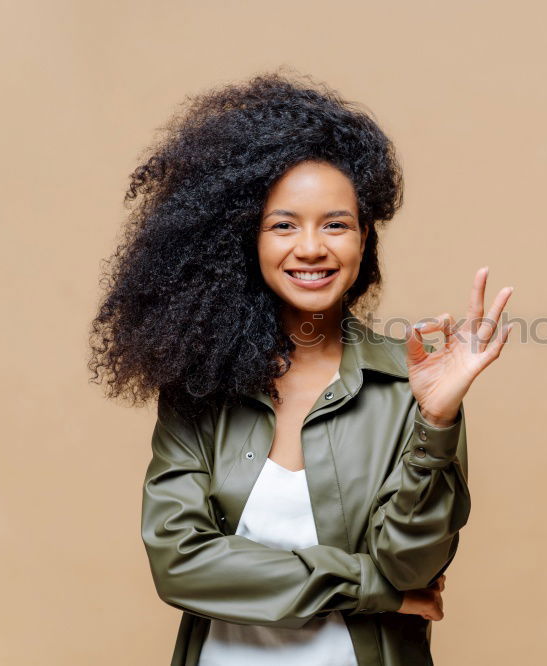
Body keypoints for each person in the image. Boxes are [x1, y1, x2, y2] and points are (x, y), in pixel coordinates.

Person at [87, 69, 514, 666]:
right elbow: (180, 564)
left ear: (364, 239)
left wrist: (436, 422)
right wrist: (370, 587)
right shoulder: (198, 386)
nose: (311, 247)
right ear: (248, 240)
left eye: (335, 224)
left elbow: (413, 565)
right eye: (282, 224)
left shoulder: (411, 383)